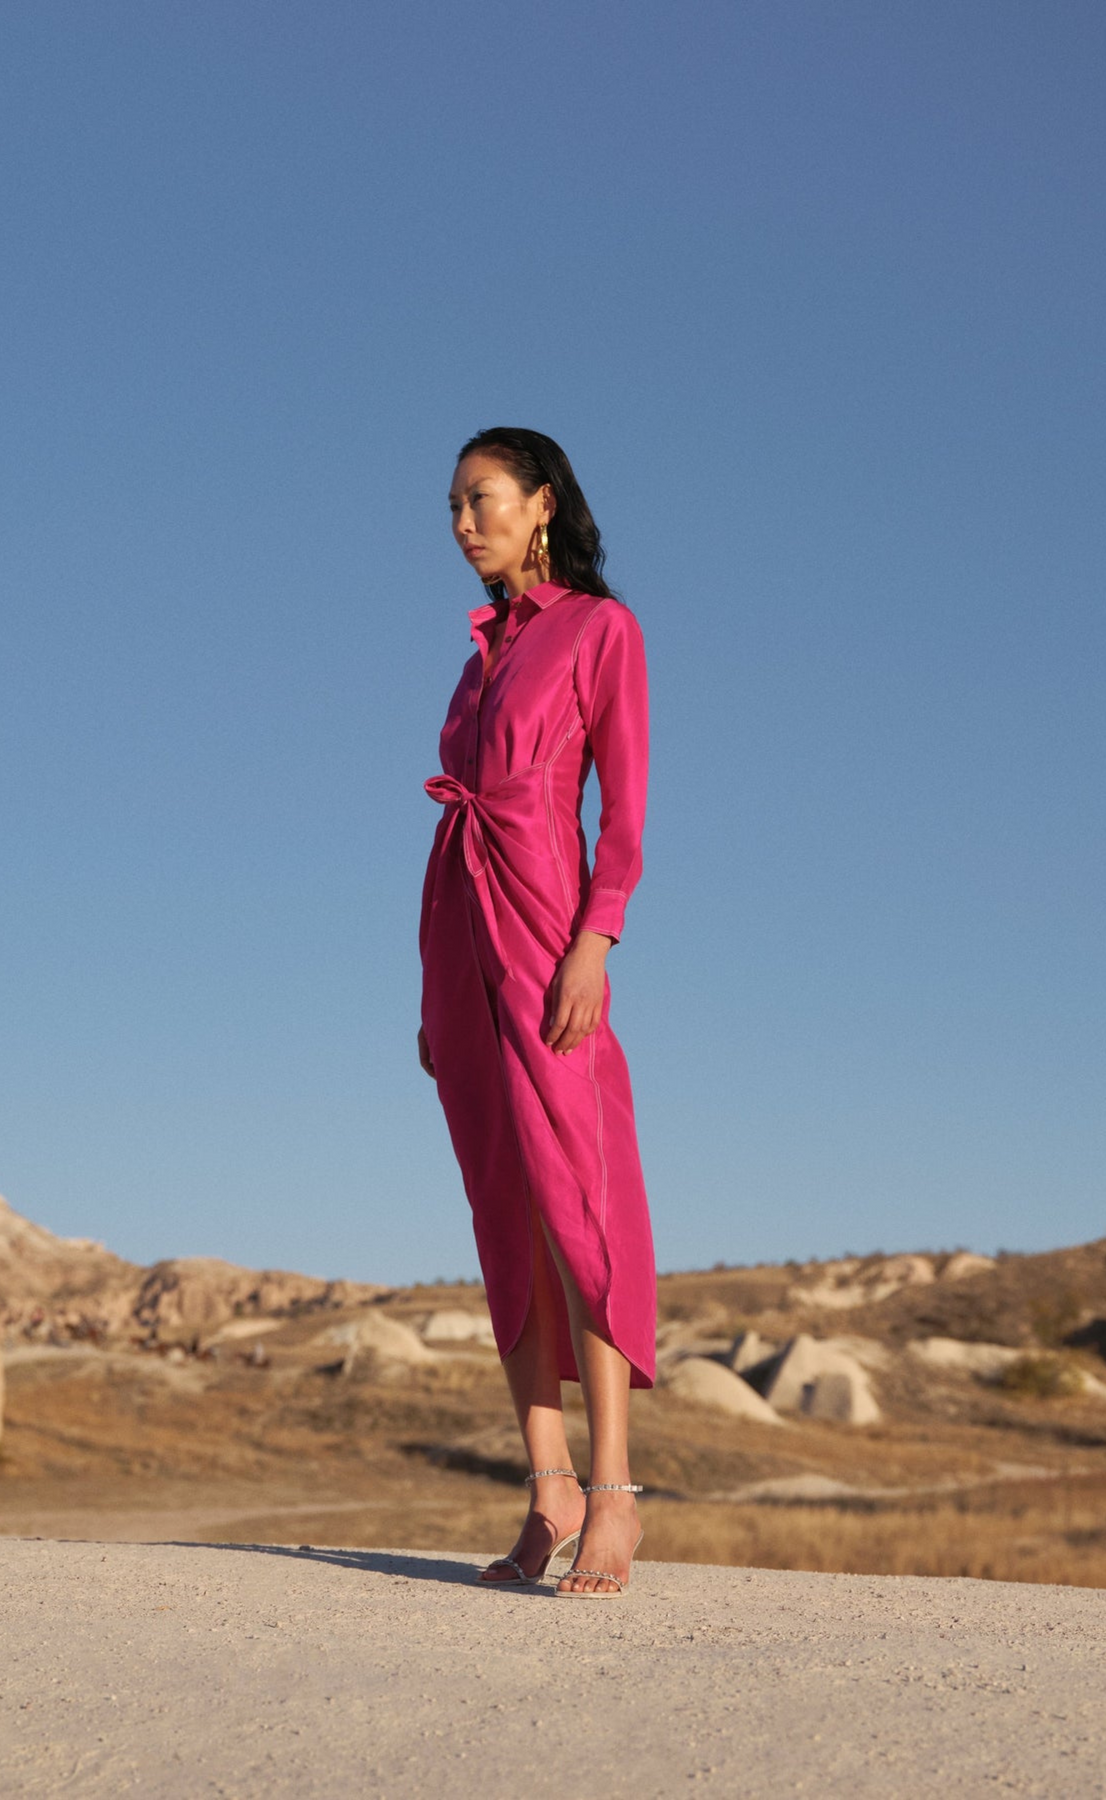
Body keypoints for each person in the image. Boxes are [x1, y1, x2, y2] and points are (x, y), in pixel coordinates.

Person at [418, 426, 657, 1599]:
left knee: (580, 1203)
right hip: (460, 942)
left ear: (541, 504)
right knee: (500, 1209)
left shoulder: (600, 632)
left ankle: (614, 1488)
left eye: (483, 499)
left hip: (552, 935)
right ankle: (546, 1484)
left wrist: (593, 944)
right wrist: (436, 989)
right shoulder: (475, 661)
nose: (464, 523)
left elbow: (623, 812)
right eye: (454, 506)